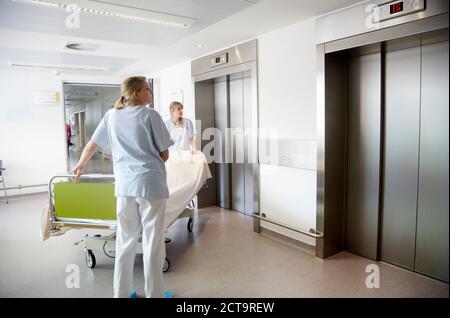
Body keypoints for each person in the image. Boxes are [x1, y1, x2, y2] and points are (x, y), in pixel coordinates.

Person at [70, 76, 173, 298]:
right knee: (152, 242)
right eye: (147, 90)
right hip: (150, 185)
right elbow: (165, 154)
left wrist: (79, 165)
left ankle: (121, 294)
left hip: (125, 186)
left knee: (125, 242)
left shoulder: (111, 116)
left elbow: (92, 144)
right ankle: (154, 294)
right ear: (136, 93)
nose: (150, 93)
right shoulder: (151, 115)